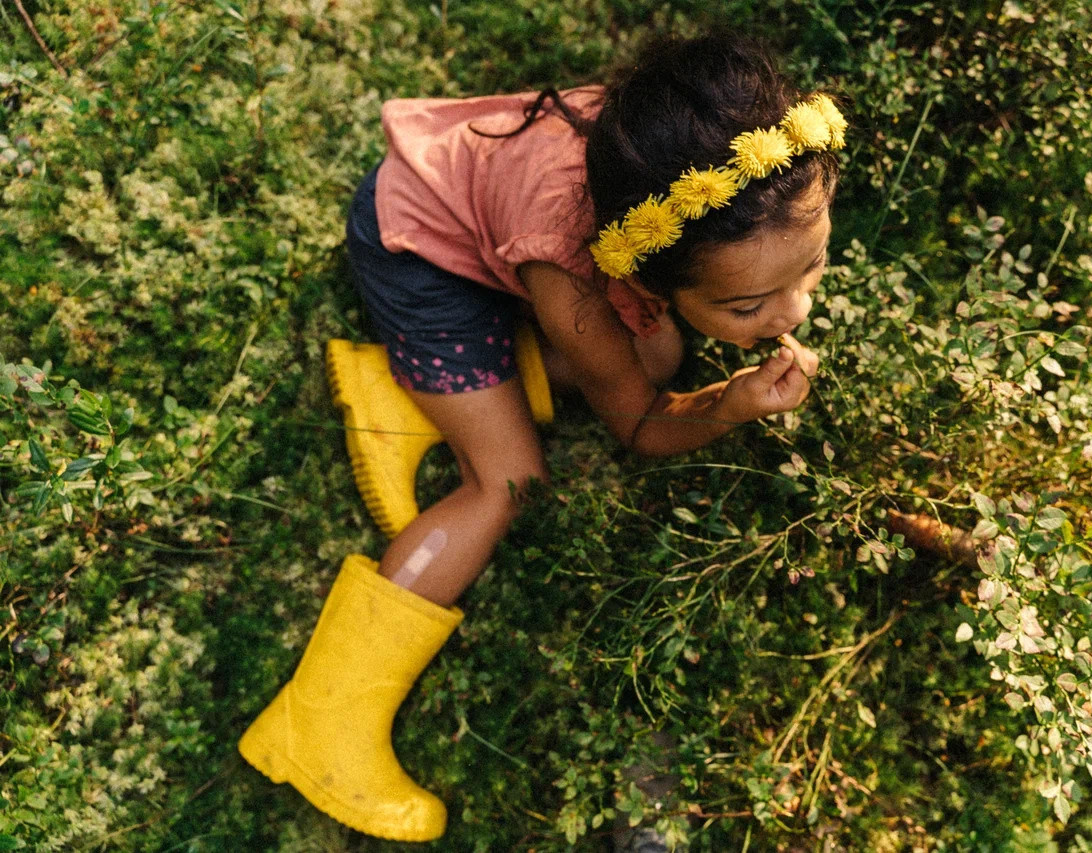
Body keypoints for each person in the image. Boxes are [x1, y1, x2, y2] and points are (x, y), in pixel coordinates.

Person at [238, 32, 845, 842]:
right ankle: (315, 721)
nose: (793, 314)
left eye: (811, 269)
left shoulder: (673, 158)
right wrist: (729, 404)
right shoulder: (577, 288)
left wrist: (718, 331)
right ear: (642, 275)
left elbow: (653, 363)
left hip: (506, 230)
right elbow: (634, 424)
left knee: (659, 351)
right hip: (417, 254)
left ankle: (435, 386)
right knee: (510, 481)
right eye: (748, 307)